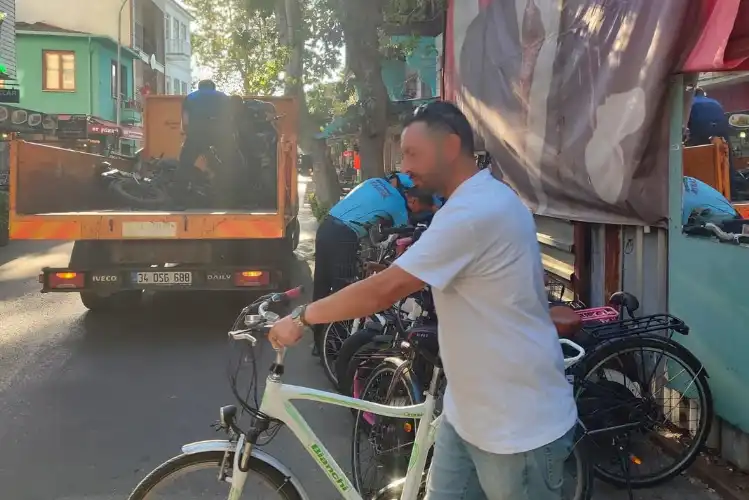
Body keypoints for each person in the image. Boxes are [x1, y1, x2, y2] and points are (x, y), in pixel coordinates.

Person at [269, 101, 577, 499]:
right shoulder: (471, 203)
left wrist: (302, 316)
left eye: (413, 153)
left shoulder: (476, 211)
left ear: (450, 146)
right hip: (467, 413)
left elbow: (385, 290)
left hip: (516, 427)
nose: (405, 166)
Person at [309, 171, 417, 354]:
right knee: (344, 292)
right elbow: (403, 229)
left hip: (326, 226)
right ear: (405, 191)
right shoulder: (398, 201)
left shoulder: (373, 181)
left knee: (322, 284)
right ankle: (334, 347)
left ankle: (318, 343)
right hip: (344, 236)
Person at [179, 80, 229, 177]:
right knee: (224, 162)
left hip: (195, 135)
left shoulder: (190, 97)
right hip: (220, 136)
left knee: (184, 164)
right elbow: (230, 117)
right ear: (213, 87)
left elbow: (185, 121)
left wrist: (187, 133)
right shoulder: (223, 97)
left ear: (199, 87)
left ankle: (183, 183)